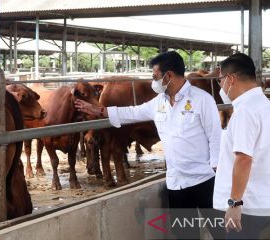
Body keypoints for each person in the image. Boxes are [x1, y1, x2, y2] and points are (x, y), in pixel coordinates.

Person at [75, 51, 222, 238]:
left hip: (204, 179)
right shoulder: (159, 102)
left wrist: (217, 170)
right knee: (185, 234)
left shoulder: (202, 100)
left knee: (220, 231)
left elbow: (215, 137)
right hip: (176, 182)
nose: (153, 81)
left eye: (155, 76)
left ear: (168, 76)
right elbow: (133, 112)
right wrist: (99, 110)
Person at [213, 53, 270, 239]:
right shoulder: (264, 104)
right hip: (262, 198)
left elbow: (243, 159)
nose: (220, 86)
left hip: (247, 206)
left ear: (230, 79)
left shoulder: (245, 111)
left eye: (220, 80)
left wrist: (234, 204)